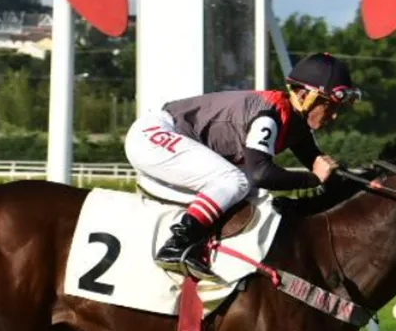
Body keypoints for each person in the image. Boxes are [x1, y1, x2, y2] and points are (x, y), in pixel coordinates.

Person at [124, 52, 361, 281]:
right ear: (303, 96)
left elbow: (318, 164)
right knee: (234, 181)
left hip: (171, 134)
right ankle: (177, 245)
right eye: (329, 106)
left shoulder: (295, 123)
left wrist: (365, 184)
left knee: (250, 190)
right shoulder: (269, 116)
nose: (334, 116)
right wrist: (312, 179)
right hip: (154, 133)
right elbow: (262, 173)